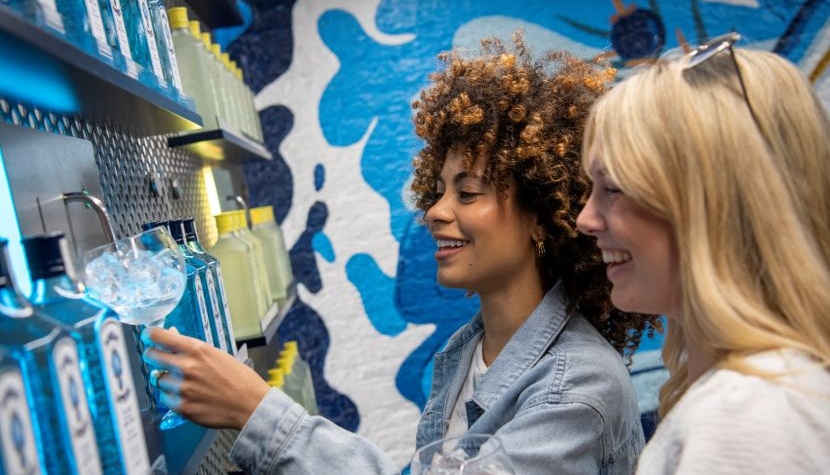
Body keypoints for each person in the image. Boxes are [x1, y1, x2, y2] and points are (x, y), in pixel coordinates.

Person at [143, 31, 660, 474]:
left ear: (542, 218)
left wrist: (258, 411)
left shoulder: (575, 389)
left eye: (468, 192)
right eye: (437, 190)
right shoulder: (467, 352)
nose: (435, 211)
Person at [576, 32, 830, 474]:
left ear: (713, 204)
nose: (585, 219)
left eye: (612, 187)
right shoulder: (770, 391)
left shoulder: (748, 414)